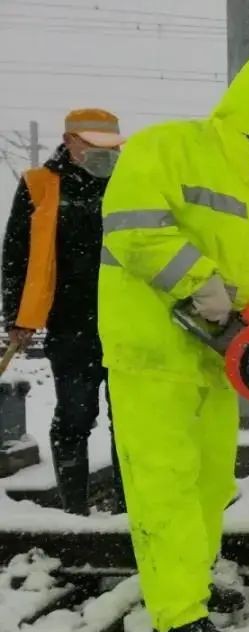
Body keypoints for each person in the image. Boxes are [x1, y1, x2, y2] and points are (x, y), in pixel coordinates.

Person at [99, 49, 249, 632]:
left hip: (216, 353)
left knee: (209, 484)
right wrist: (197, 280)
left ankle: (193, 584)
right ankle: (176, 614)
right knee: (165, 484)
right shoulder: (170, 147)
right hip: (153, 348)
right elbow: (132, 227)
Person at [1, 109, 126, 515]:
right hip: (70, 322)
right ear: (70, 141)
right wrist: (16, 318)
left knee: (128, 419)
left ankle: (130, 507)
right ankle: (75, 509)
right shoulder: (40, 184)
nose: (104, 154)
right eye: (93, 145)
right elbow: (16, 255)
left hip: (127, 321)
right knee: (75, 413)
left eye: (111, 147)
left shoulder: (129, 182)